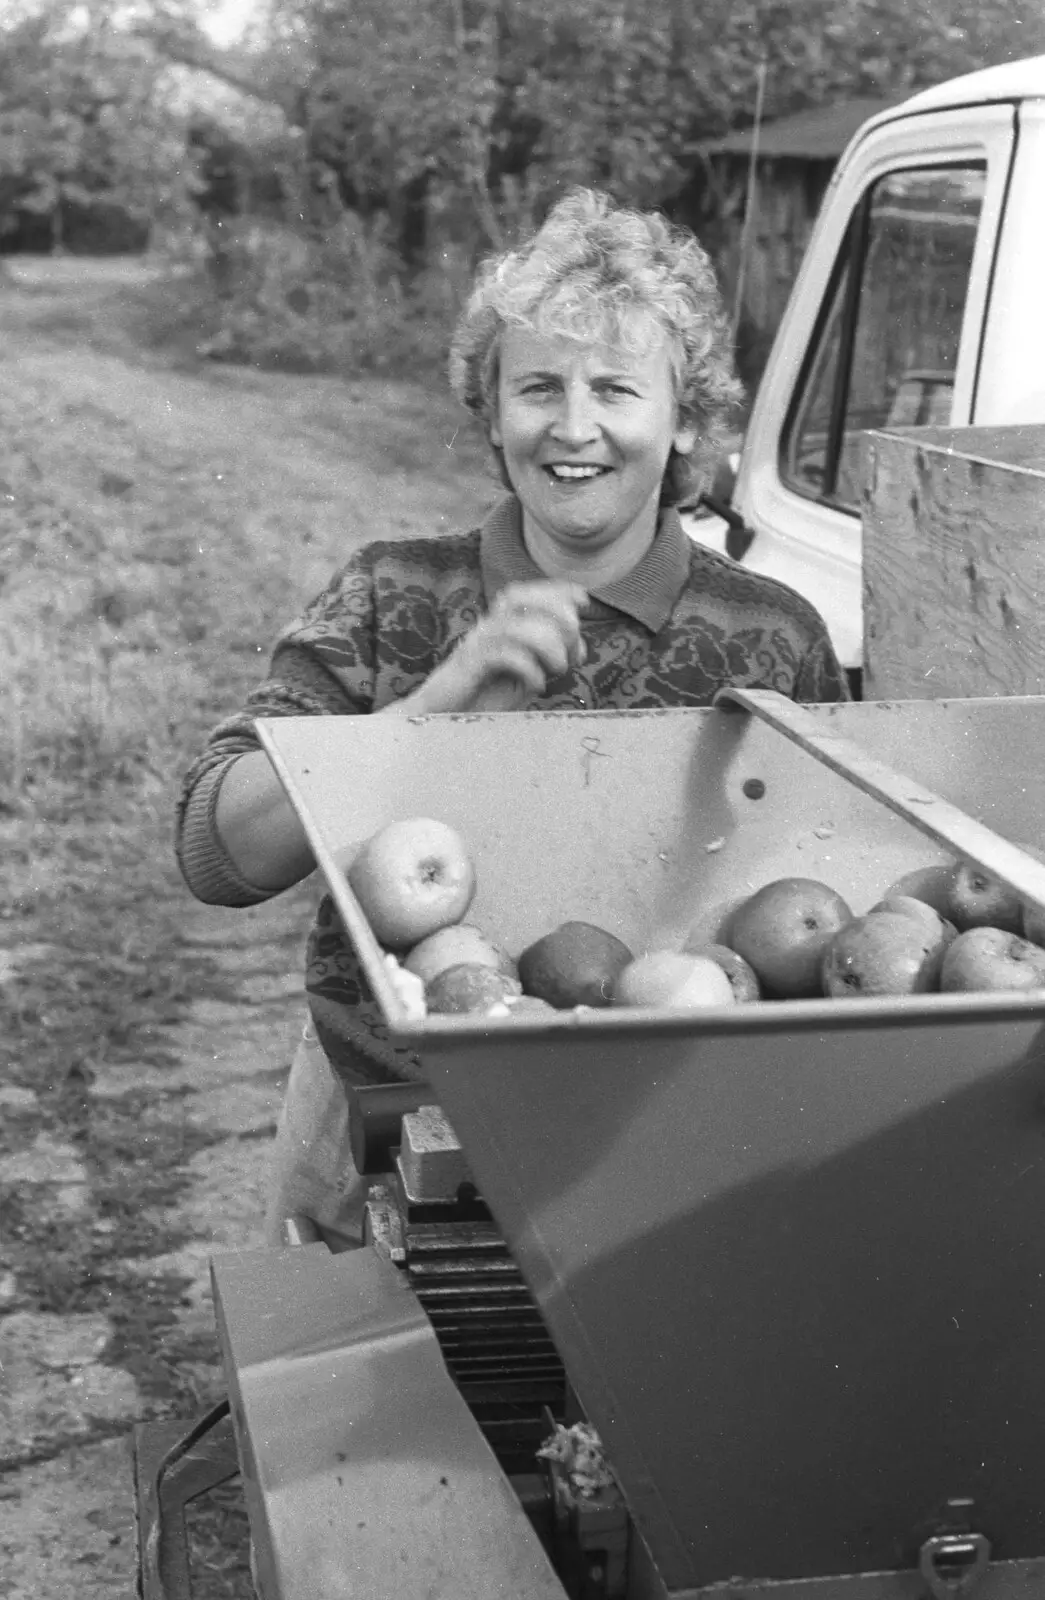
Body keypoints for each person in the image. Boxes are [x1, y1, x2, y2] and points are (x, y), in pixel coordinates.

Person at [175, 188, 848, 1250]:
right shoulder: (394, 593)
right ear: (492, 411)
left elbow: (832, 906)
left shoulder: (771, 635)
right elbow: (216, 851)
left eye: (617, 389)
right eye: (537, 386)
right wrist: (436, 708)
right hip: (387, 1128)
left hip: (672, 1140)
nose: (573, 428)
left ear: (685, 420)